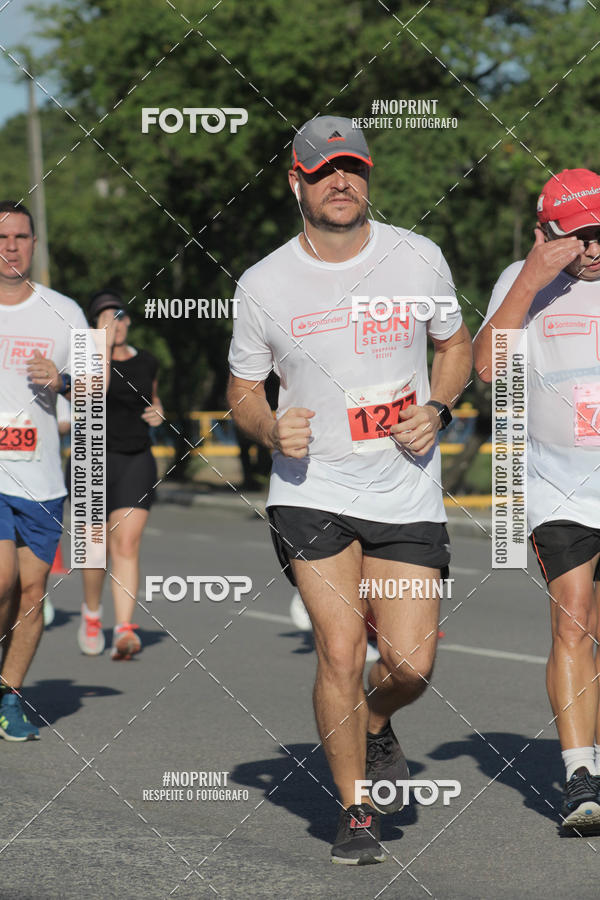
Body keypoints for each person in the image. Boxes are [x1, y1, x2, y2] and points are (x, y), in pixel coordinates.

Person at [227, 116, 472, 863]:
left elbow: (455, 346)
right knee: (338, 649)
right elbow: (242, 392)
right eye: (325, 169)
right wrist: (271, 430)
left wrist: (438, 407)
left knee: (410, 665)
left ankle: (372, 722)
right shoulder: (264, 282)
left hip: (404, 491)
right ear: (296, 181)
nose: (342, 182)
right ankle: (355, 808)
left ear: (368, 176)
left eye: (353, 168)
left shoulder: (416, 256)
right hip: (313, 490)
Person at [474, 168, 600, 831]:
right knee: (572, 619)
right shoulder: (521, 285)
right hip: (558, 485)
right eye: (577, 237)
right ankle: (582, 775)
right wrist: (531, 276)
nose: (592, 250)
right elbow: (488, 368)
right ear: (545, 234)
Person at [0, 200, 87, 740]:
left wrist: (64, 380)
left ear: (34, 244)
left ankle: (8, 696)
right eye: (1, 237)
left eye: (21, 237)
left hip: (41, 478)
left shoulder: (63, 312)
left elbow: (96, 387)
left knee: (33, 594)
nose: (11, 246)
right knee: (3, 581)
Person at [74, 290, 163, 660]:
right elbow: (94, 395)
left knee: (126, 543)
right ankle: (92, 613)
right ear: (94, 325)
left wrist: (159, 409)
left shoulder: (148, 361)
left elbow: (153, 398)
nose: (117, 322)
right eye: (106, 317)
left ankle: (124, 627)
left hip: (136, 458)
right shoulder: (84, 357)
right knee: (94, 550)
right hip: (91, 457)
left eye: (121, 315)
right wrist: (100, 348)